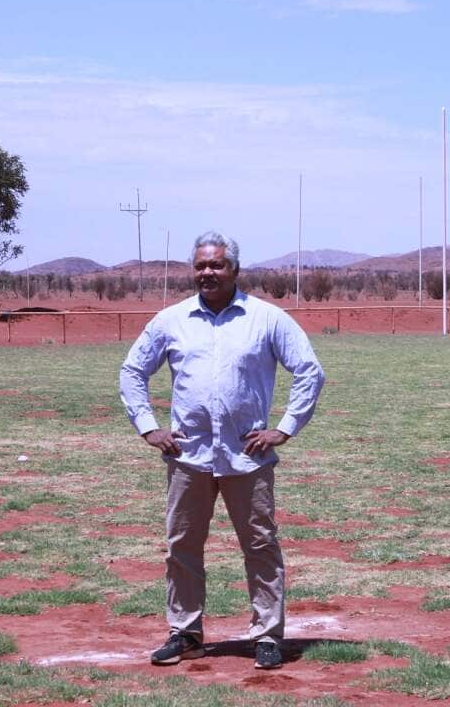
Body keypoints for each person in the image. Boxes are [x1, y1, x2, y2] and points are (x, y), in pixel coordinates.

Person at [119, 231, 324, 670]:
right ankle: (186, 632)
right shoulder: (171, 320)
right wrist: (148, 427)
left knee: (260, 544)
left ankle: (266, 634)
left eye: (216, 265)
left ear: (235, 269)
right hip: (188, 457)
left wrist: (284, 428)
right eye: (200, 266)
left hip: (246, 457)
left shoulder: (266, 319)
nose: (207, 272)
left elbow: (309, 371)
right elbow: (133, 370)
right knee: (182, 546)